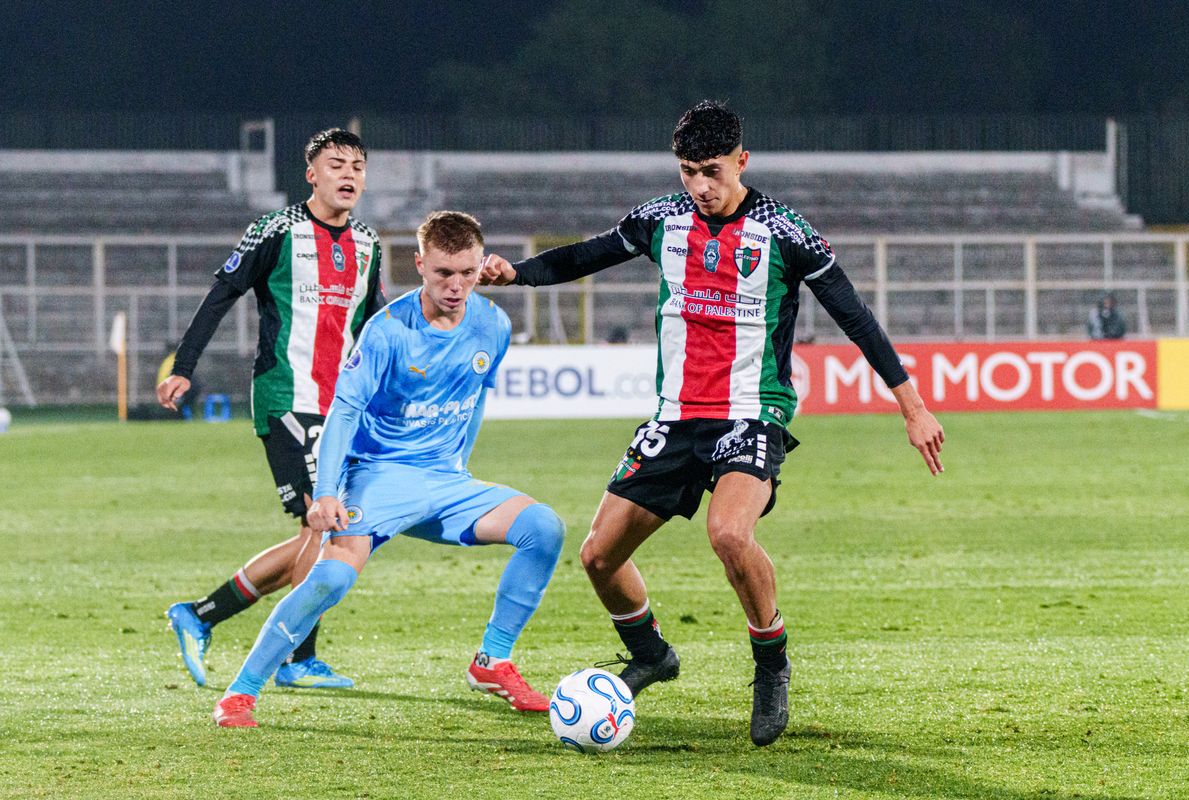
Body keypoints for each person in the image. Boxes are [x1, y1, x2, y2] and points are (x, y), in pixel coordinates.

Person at [480, 100, 945, 747]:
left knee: (728, 533)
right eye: (688, 171)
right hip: (675, 417)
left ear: (741, 161)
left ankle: (771, 663)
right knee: (598, 555)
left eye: (712, 171)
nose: (700, 185)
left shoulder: (784, 231)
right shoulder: (661, 221)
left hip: (753, 411)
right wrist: (518, 274)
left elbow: (855, 316)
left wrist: (912, 405)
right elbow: (584, 257)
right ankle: (652, 655)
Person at [211, 211, 566, 728]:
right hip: (378, 477)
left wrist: (458, 467)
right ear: (419, 264)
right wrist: (326, 491)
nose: (456, 286)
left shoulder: (494, 324)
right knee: (331, 578)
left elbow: (475, 398)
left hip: (445, 481)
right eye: (443, 273)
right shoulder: (387, 331)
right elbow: (343, 412)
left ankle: (492, 661)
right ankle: (240, 693)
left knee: (544, 527)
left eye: (467, 273)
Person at [158, 128, 385, 690]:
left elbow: (374, 323)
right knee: (324, 526)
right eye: (336, 164)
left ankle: (200, 615)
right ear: (311, 174)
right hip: (287, 396)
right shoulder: (278, 229)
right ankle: (296, 659)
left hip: (342, 408)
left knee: (317, 536)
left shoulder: (369, 242)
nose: (348, 174)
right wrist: (183, 366)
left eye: (357, 165)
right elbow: (222, 293)